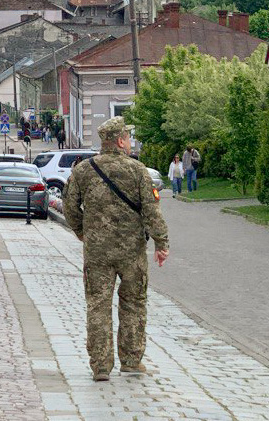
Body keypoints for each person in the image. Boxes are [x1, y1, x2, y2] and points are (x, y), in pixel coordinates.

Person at [63, 116, 170, 382]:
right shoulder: (138, 170)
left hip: (97, 251)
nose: (129, 141)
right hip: (132, 251)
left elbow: (69, 206)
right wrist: (161, 243)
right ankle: (132, 361)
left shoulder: (83, 171)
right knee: (133, 304)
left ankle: (100, 366)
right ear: (120, 141)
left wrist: (81, 231)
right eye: (127, 137)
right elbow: (151, 210)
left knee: (98, 305)